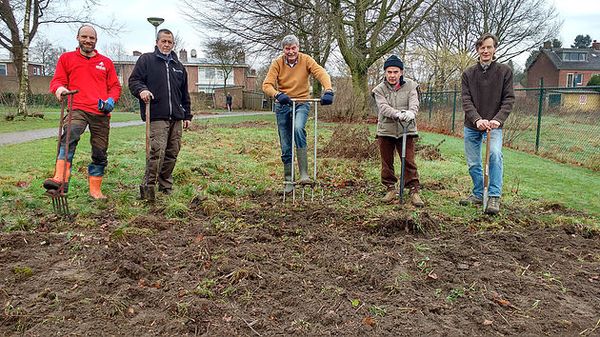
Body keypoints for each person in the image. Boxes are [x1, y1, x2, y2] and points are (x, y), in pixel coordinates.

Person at [43, 25, 122, 199]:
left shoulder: (106, 62)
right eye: (84, 37)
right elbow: (57, 81)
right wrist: (60, 90)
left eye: (91, 38)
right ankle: (60, 179)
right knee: (69, 138)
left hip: (101, 113)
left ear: (96, 40)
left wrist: (110, 100)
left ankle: (95, 190)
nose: (88, 40)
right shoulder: (66, 58)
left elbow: (115, 86)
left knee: (100, 151)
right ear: (77, 37)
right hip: (77, 107)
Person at [262, 34, 334, 192]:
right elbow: (266, 85)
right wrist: (277, 94)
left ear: (298, 48)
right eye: (287, 49)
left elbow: (321, 73)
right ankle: (289, 181)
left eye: (293, 48)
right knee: (286, 144)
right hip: (283, 105)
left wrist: (328, 90)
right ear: (283, 49)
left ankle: (304, 174)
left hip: (301, 103)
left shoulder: (306, 60)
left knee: (298, 128)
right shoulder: (277, 63)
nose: (290, 52)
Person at [129, 28, 192, 199]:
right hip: (156, 114)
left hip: (177, 117)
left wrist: (187, 115)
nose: (166, 44)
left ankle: (165, 184)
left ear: (173, 44)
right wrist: (142, 90)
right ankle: (148, 186)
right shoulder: (146, 60)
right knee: (157, 151)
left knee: (173, 152)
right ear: (157, 42)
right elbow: (134, 81)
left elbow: (184, 93)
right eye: (163, 41)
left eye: (169, 42)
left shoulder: (179, 67)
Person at [460, 33, 514, 214]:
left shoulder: (504, 72)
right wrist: (477, 119)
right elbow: (466, 100)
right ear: (477, 50)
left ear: (494, 49)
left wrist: (497, 120)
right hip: (472, 125)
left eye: (489, 47)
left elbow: (508, 99)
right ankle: (477, 193)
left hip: (494, 125)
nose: (485, 51)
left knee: (495, 155)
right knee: (473, 162)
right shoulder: (468, 74)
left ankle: (493, 197)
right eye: (482, 47)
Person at [372, 55, 424, 207]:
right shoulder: (379, 89)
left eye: (395, 72)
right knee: (386, 161)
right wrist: (397, 114)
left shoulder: (412, 86)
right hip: (385, 129)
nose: (392, 75)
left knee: (408, 160)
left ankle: (413, 190)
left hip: (406, 129)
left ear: (401, 72)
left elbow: (414, 103)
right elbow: (383, 107)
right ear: (385, 73)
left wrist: (411, 113)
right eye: (389, 72)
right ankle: (390, 188)